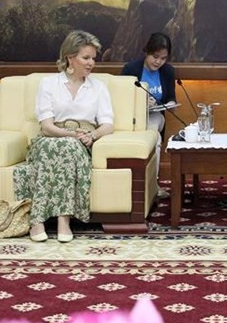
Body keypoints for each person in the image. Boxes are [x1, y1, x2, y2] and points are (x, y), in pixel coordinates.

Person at [14, 30, 114, 243]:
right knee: (61, 146)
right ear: (70, 57)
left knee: (69, 147)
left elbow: (107, 124)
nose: (91, 63)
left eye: (93, 58)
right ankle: (38, 220)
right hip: (50, 138)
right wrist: (70, 134)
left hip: (81, 141)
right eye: (86, 58)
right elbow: (47, 126)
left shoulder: (98, 87)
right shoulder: (49, 84)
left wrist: (93, 135)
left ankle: (62, 220)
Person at [121, 32, 176, 199]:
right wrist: (141, 102)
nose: (158, 62)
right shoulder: (131, 69)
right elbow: (121, 98)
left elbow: (171, 99)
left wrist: (170, 105)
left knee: (153, 131)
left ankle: (150, 184)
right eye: (155, 56)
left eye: (163, 58)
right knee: (156, 140)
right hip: (132, 116)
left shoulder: (167, 72)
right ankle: (148, 185)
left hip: (155, 115)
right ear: (147, 51)